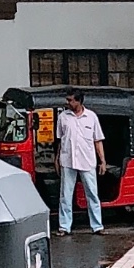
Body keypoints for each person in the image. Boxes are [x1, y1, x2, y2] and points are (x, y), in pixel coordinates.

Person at [54, 90, 106, 235]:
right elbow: (60, 140)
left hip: (87, 160)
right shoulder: (63, 117)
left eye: (71, 100)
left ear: (78, 101)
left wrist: (102, 161)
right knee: (65, 195)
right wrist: (57, 159)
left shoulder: (91, 117)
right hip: (68, 160)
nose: (68, 103)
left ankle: (97, 226)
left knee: (92, 194)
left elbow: (97, 140)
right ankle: (64, 226)